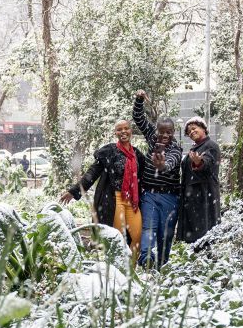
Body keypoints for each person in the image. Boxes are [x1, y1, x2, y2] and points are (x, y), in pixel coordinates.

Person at [59, 120, 145, 259]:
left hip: (132, 201)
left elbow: (143, 178)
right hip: (114, 200)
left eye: (126, 128)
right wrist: (74, 191)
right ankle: (117, 270)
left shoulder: (137, 155)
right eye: (119, 129)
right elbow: (91, 173)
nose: (123, 132)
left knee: (138, 236)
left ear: (131, 131)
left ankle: (130, 270)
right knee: (118, 238)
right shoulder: (108, 152)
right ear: (115, 133)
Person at [132, 90, 183, 269]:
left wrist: (161, 166)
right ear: (157, 131)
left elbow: (169, 164)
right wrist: (139, 99)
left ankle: (162, 267)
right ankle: (146, 262)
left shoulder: (177, 149)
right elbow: (138, 117)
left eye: (168, 132)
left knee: (165, 236)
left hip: (170, 198)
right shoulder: (152, 138)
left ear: (173, 132)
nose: (164, 135)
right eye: (162, 131)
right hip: (150, 196)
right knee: (148, 230)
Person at [177, 116, 220, 246]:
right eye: (189, 131)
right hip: (192, 198)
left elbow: (208, 162)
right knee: (193, 234)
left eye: (194, 128)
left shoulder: (210, 145)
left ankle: (205, 261)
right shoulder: (194, 148)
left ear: (203, 128)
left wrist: (199, 163)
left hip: (204, 196)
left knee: (203, 232)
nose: (191, 132)